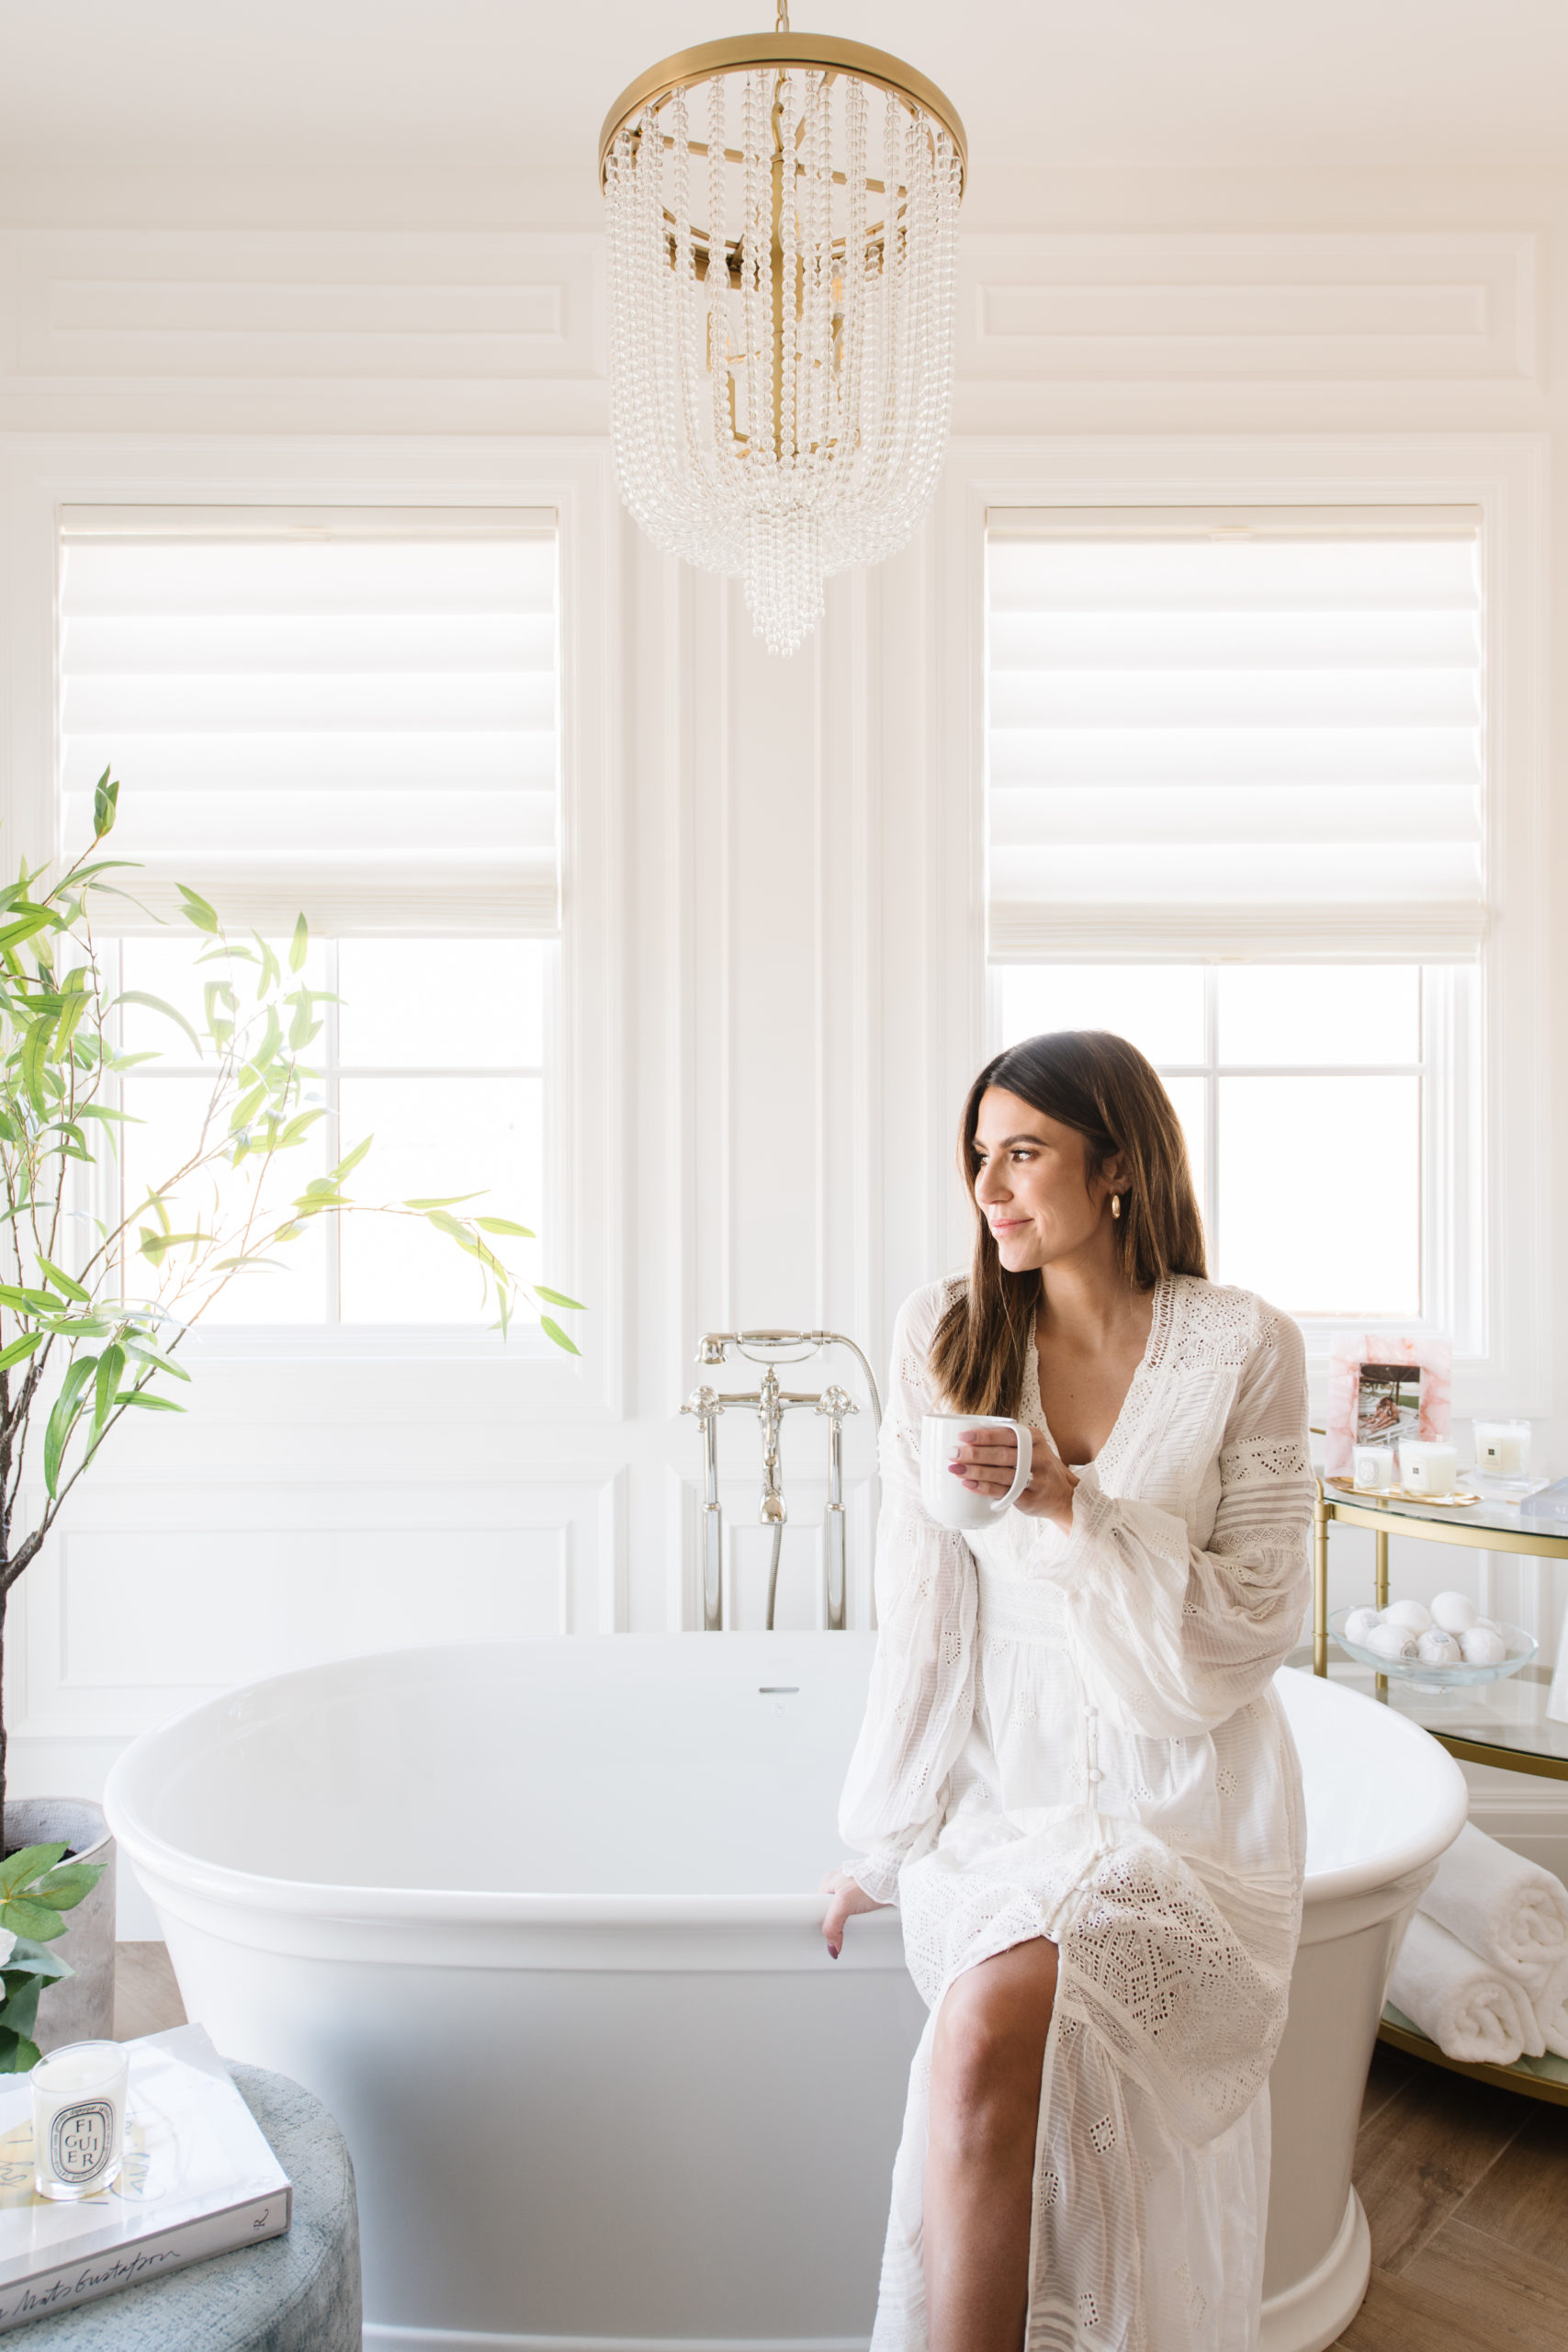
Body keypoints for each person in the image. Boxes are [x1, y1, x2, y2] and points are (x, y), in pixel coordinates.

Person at [820, 1030, 1314, 2352]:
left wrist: (1073, 1505)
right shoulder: (945, 1333)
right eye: (979, 1156)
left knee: (989, 2027)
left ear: (1119, 1166)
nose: (989, 1189)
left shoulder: (1244, 1345)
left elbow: (1253, 1626)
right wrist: (886, 1839)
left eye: (1024, 1153)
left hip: (1188, 1800)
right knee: (987, 2044)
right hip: (1007, 1793)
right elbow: (924, 1613)